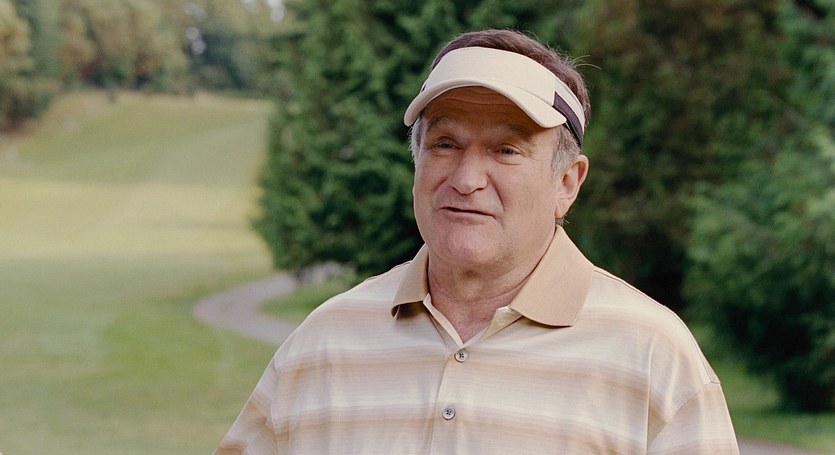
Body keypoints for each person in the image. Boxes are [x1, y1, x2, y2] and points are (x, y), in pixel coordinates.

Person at [215, 29, 740, 454]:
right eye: (445, 143)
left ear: (567, 183)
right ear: (417, 161)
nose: (466, 179)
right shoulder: (322, 344)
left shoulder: (653, 356)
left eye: (506, 150)